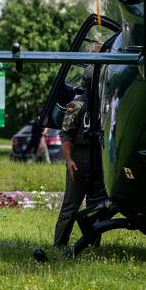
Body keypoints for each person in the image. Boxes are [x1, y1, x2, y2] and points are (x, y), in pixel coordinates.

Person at [52, 68, 109, 250]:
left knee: (96, 207)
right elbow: (66, 135)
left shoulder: (107, 105)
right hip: (80, 160)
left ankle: (93, 245)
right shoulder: (76, 105)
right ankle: (59, 245)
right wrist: (69, 160)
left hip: (99, 160)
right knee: (70, 208)